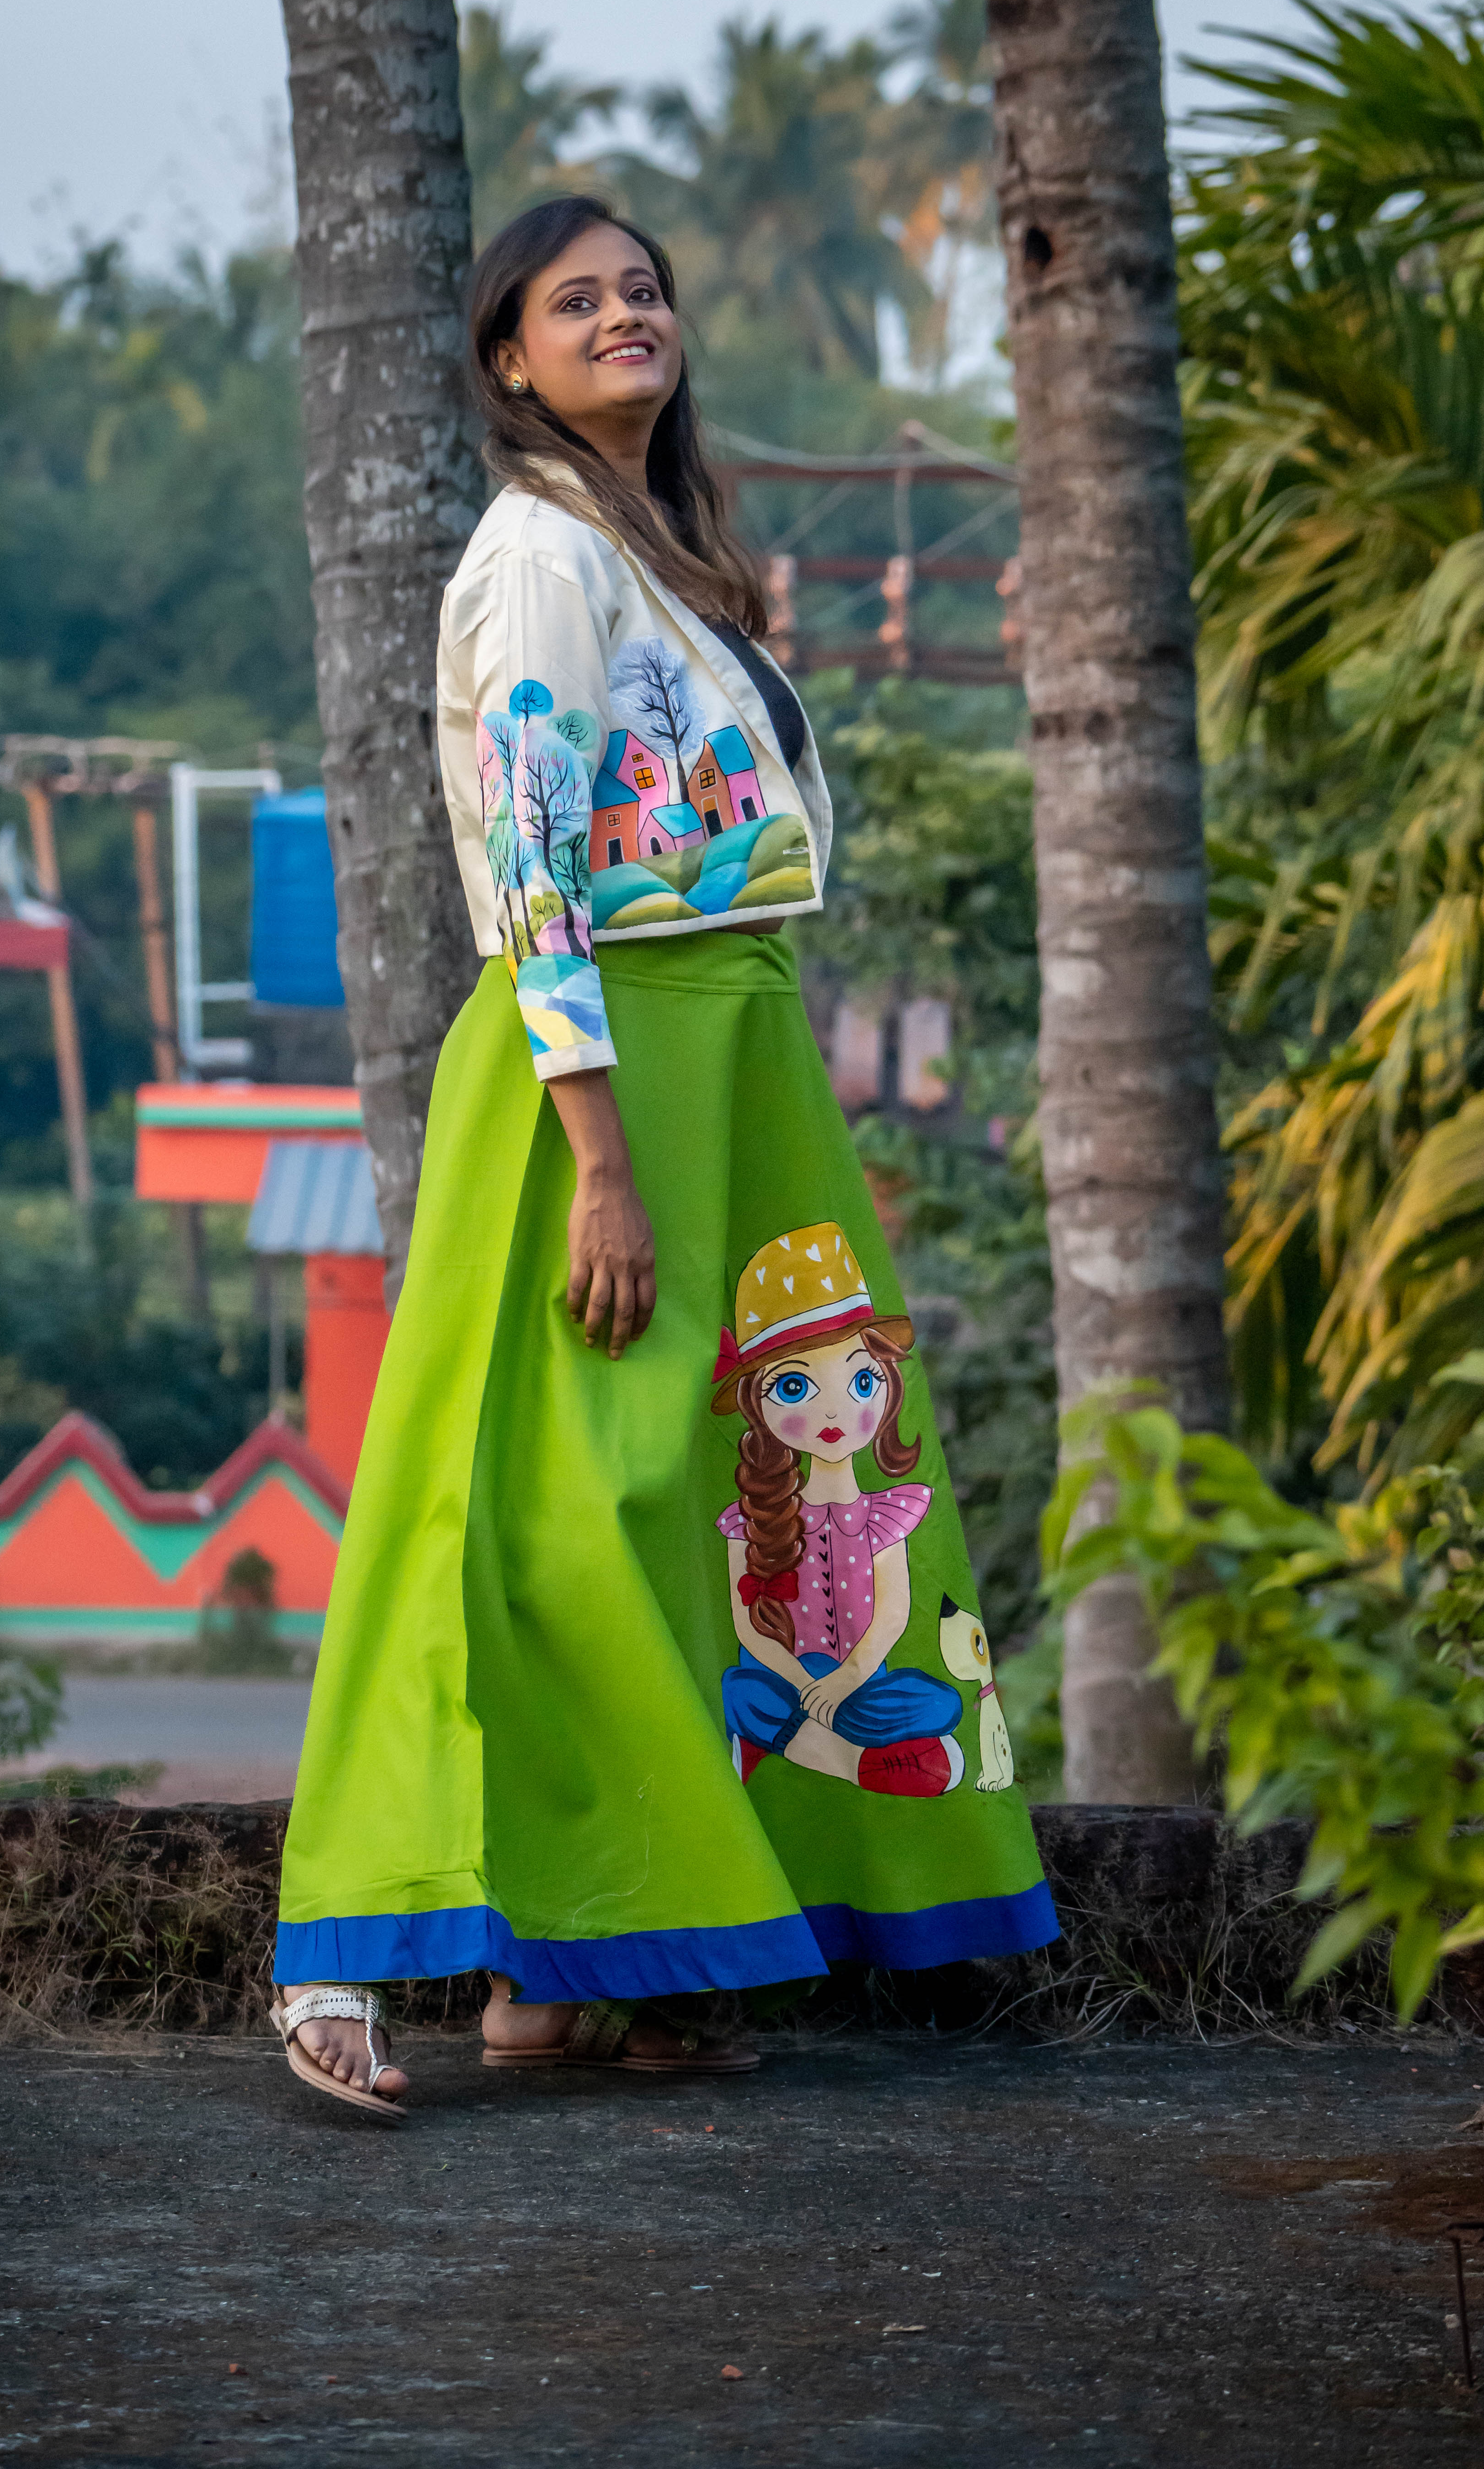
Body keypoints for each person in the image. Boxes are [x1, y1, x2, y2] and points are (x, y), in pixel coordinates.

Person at [270, 194, 1057, 2120]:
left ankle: (599, 1971)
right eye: (574, 300)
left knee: (757, 1494)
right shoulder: (537, 555)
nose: (624, 314)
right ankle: (355, 1943)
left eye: (642, 289)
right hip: (597, 1072)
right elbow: (532, 872)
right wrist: (602, 1156)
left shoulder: (674, 554)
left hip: (737, 1052)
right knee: (541, 1503)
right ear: (508, 362)